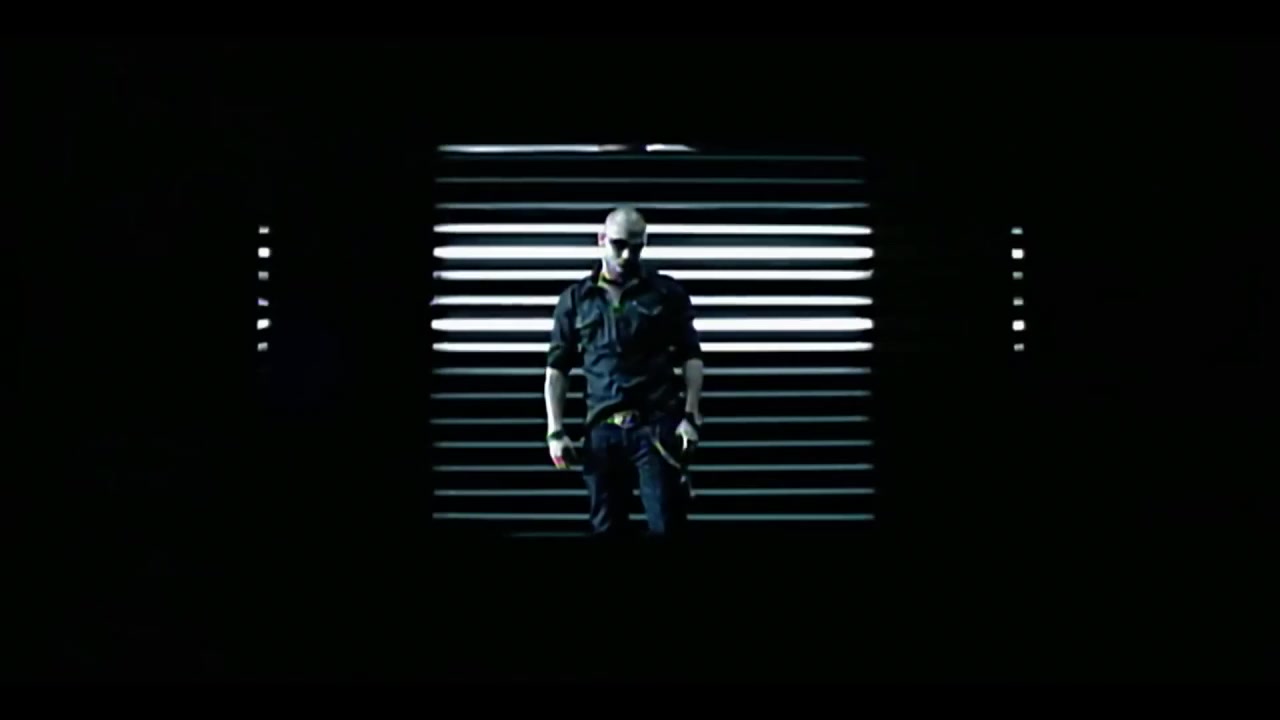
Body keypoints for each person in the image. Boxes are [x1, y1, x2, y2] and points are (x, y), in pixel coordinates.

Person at [543, 207, 705, 536]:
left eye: (636, 246)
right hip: (602, 430)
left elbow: (691, 357)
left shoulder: (666, 293)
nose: (628, 255)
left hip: (655, 429)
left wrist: (691, 416)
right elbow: (557, 368)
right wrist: (555, 430)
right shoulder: (576, 300)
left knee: (667, 525)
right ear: (601, 239)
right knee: (606, 528)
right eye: (619, 245)